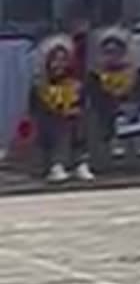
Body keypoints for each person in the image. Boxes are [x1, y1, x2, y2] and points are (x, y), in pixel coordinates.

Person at [86, 26, 140, 160]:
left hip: (135, 111)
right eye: (108, 52)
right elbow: (95, 97)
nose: (113, 56)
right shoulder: (96, 76)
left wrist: (137, 103)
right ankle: (114, 144)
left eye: (116, 52)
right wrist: (117, 105)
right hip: (110, 111)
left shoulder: (135, 72)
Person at [28, 34, 94, 183]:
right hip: (48, 123)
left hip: (73, 121)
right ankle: (56, 165)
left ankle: (80, 163)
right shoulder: (39, 86)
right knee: (58, 124)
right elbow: (35, 111)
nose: (59, 64)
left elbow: (82, 105)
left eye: (63, 60)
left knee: (79, 122)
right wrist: (58, 112)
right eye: (55, 60)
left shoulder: (76, 84)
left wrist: (74, 111)